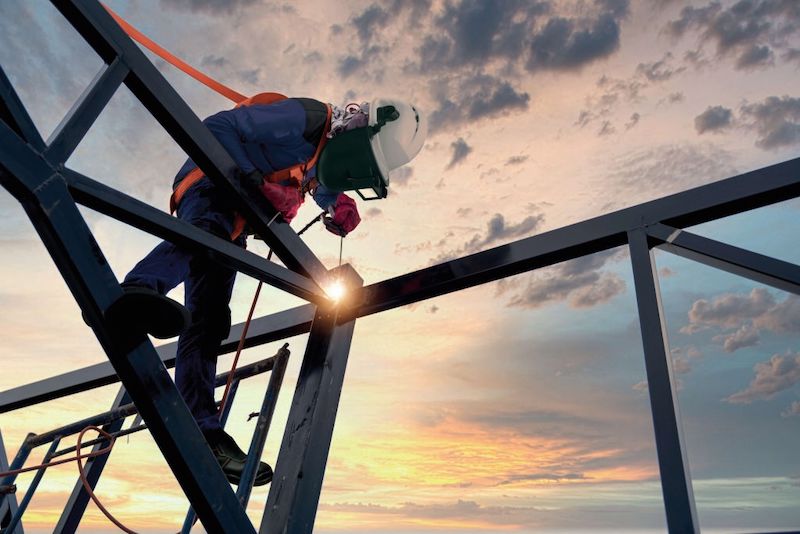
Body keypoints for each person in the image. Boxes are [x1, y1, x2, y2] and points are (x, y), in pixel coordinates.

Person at [103, 95, 427, 486]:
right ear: (359, 132)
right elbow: (218, 127)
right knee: (205, 236)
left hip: (234, 221)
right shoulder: (308, 118)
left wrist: (335, 206)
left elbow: (317, 186)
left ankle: (203, 433)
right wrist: (250, 179)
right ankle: (138, 290)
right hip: (211, 188)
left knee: (208, 322)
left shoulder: (319, 159)